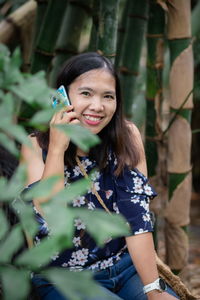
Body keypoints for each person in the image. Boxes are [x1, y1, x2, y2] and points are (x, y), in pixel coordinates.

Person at [21, 52, 180, 300]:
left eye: (108, 96)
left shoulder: (127, 137)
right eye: (86, 93)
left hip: (125, 269)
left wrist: (153, 290)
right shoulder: (34, 147)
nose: (97, 106)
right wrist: (57, 147)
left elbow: (136, 220)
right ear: (61, 97)